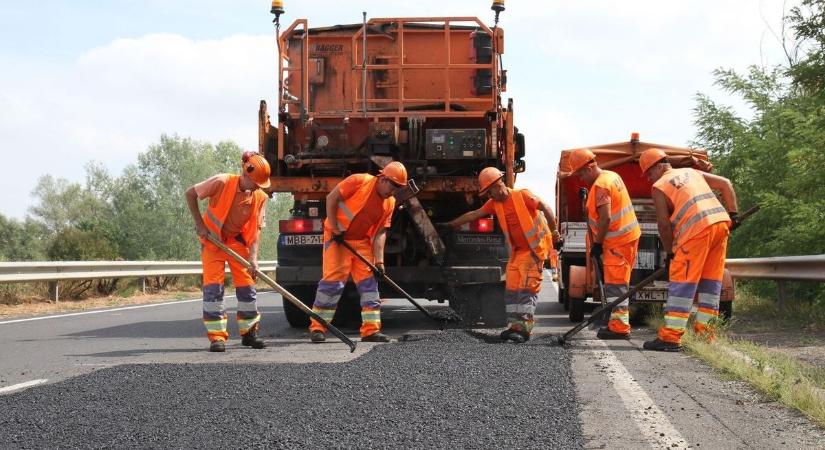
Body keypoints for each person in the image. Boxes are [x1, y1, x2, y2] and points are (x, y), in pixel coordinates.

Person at [639, 148, 739, 352]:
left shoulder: (659, 186)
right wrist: (733, 214)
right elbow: (726, 184)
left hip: (696, 233)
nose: (649, 179)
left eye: (648, 173)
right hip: (720, 225)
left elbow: (664, 226)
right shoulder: (693, 173)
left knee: (682, 284)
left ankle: (671, 338)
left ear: (658, 166)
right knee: (711, 283)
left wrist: (669, 253)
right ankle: (706, 334)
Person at [446, 167, 561, 343]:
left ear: (499, 183)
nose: (489, 195)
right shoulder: (495, 203)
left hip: (534, 249)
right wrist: (451, 225)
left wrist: (555, 233)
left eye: (489, 191)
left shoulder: (522, 195)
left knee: (526, 288)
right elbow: (475, 214)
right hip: (518, 251)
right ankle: (515, 326)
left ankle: (524, 329)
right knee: (512, 287)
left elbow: (544, 206)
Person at [309, 162, 408, 344]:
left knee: (369, 286)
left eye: (398, 188)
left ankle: (371, 331)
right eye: (393, 186)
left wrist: (379, 262)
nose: (394, 191)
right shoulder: (359, 181)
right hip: (337, 237)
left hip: (361, 241)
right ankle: (318, 327)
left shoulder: (389, 203)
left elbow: (380, 233)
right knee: (332, 284)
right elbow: (332, 198)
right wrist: (336, 230)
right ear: (383, 179)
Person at [185, 151, 270, 352]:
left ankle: (249, 333)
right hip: (212, 242)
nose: (258, 187)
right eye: (256, 182)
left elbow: (256, 230)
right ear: (246, 175)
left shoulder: (259, 197)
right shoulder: (222, 182)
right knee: (214, 291)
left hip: (237, 244)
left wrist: (253, 258)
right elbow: (190, 193)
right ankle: (217, 338)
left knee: (247, 289)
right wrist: (199, 224)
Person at [569, 148, 641, 340]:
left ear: (591, 166)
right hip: (626, 238)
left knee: (615, 285)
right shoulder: (611, 176)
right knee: (617, 284)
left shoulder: (601, 186)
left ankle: (619, 327)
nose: (581, 178)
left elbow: (606, 217)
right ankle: (615, 321)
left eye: (582, 173)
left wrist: (598, 243)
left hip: (617, 242)